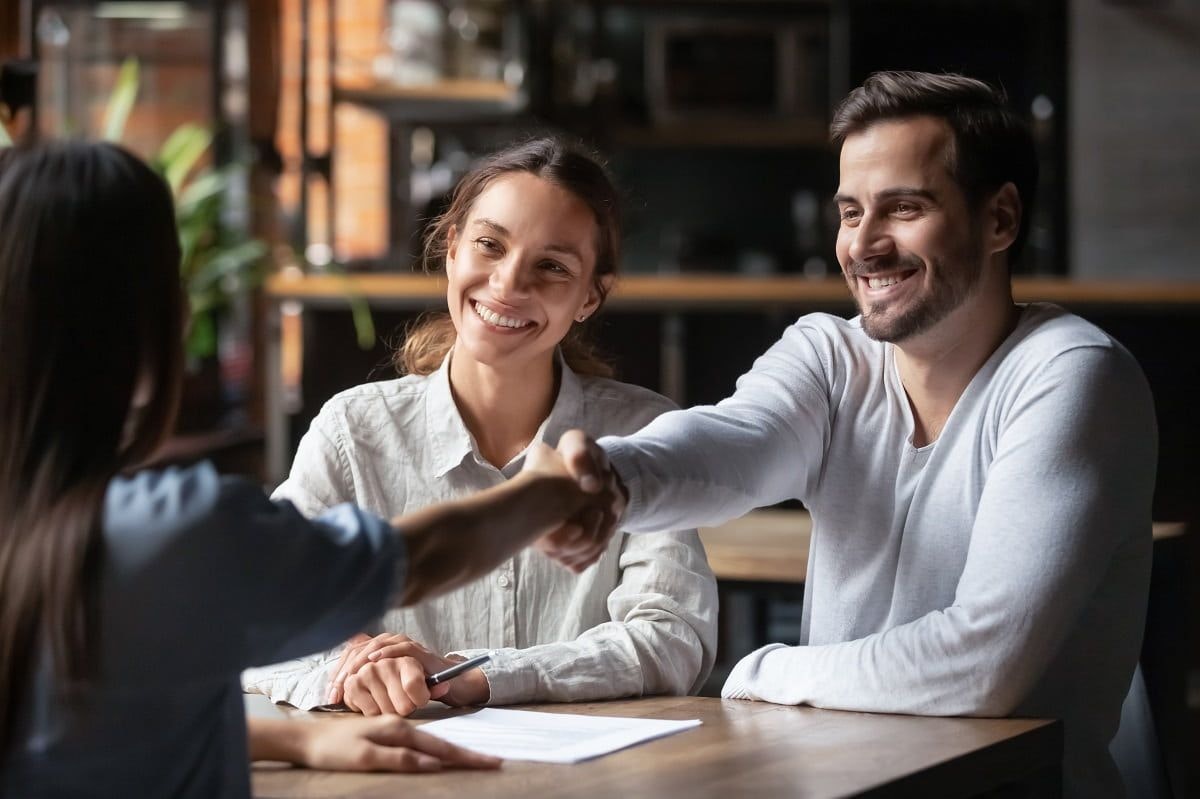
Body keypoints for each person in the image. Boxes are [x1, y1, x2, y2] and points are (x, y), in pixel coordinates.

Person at [552, 71, 1157, 799]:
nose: (865, 245)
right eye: (849, 212)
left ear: (999, 219)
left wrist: (762, 672)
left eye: (903, 208)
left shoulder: (1071, 374)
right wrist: (611, 479)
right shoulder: (829, 354)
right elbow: (734, 443)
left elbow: (981, 664)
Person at [0, 140, 617, 798]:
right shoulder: (176, 533)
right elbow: (422, 554)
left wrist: (298, 737)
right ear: (161, 321)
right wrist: (545, 491)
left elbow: (105, 721)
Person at [242, 137, 718, 716]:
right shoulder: (353, 432)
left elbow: (673, 639)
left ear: (591, 296)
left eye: (551, 266)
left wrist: (474, 674)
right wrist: (353, 663)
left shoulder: (643, 432)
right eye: (489, 245)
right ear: (451, 249)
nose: (509, 284)